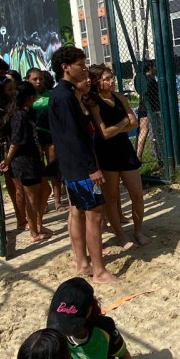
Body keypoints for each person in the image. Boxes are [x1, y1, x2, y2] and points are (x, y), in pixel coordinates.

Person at [49, 47, 119, 284]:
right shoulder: (65, 96)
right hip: (81, 168)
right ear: (65, 67)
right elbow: (74, 136)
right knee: (94, 213)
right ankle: (99, 271)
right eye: (80, 64)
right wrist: (92, 168)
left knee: (78, 211)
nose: (85, 67)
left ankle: (82, 262)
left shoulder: (64, 93)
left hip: (72, 166)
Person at [47, 277, 155, 359]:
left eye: (69, 324)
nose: (64, 328)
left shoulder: (104, 328)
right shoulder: (55, 326)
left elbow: (123, 354)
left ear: (89, 310)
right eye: (61, 321)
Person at [85, 65, 148, 248]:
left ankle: (138, 230)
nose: (111, 81)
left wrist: (116, 128)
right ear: (97, 81)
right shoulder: (93, 102)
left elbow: (134, 122)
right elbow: (103, 133)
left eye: (111, 77)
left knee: (137, 194)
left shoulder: (119, 97)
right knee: (111, 197)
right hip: (106, 152)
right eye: (106, 79)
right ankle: (120, 235)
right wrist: (122, 123)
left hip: (124, 149)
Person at [0, 82, 51, 243]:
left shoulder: (18, 112)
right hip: (25, 161)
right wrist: (7, 159)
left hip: (31, 159)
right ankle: (34, 232)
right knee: (31, 197)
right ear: (29, 97)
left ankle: (37, 224)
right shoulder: (19, 115)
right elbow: (15, 141)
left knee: (45, 189)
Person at [0, 74, 27, 231]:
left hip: (16, 148)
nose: (13, 92)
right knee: (16, 186)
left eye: (14, 89)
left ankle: (24, 217)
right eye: (9, 89)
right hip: (8, 150)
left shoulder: (15, 106)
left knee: (20, 186)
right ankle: (21, 219)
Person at [27, 68, 63, 212]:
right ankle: (44, 201)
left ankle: (58, 201)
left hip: (51, 136)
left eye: (40, 79)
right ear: (28, 80)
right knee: (39, 170)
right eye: (35, 79)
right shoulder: (27, 97)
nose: (38, 82)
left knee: (53, 168)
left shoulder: (51, 94)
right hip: (34, 139)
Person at [136, 60, 161, 165]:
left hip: (143, 107)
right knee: (154, 132)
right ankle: (157, 153)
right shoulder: (151, 80)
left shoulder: (139, 79)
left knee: (143, 131)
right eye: (154, 67)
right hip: (151, 108)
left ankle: (138, 155)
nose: (155, 69)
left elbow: (142, 94)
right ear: (150, 68)